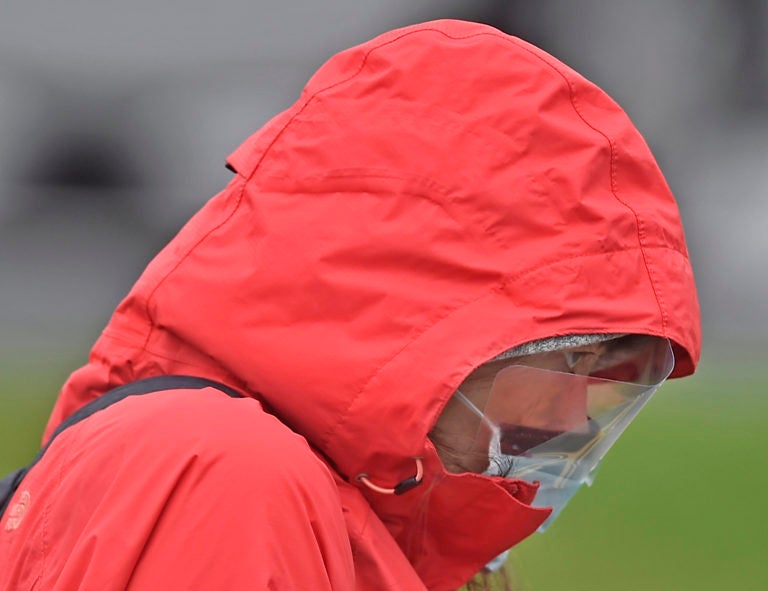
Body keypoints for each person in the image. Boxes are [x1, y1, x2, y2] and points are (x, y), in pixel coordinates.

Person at [0, 18, 700, 591]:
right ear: (419, 309)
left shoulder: (333, 508)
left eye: (611, 381)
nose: (574, 419)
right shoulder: (218, 470)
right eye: (571, 362)